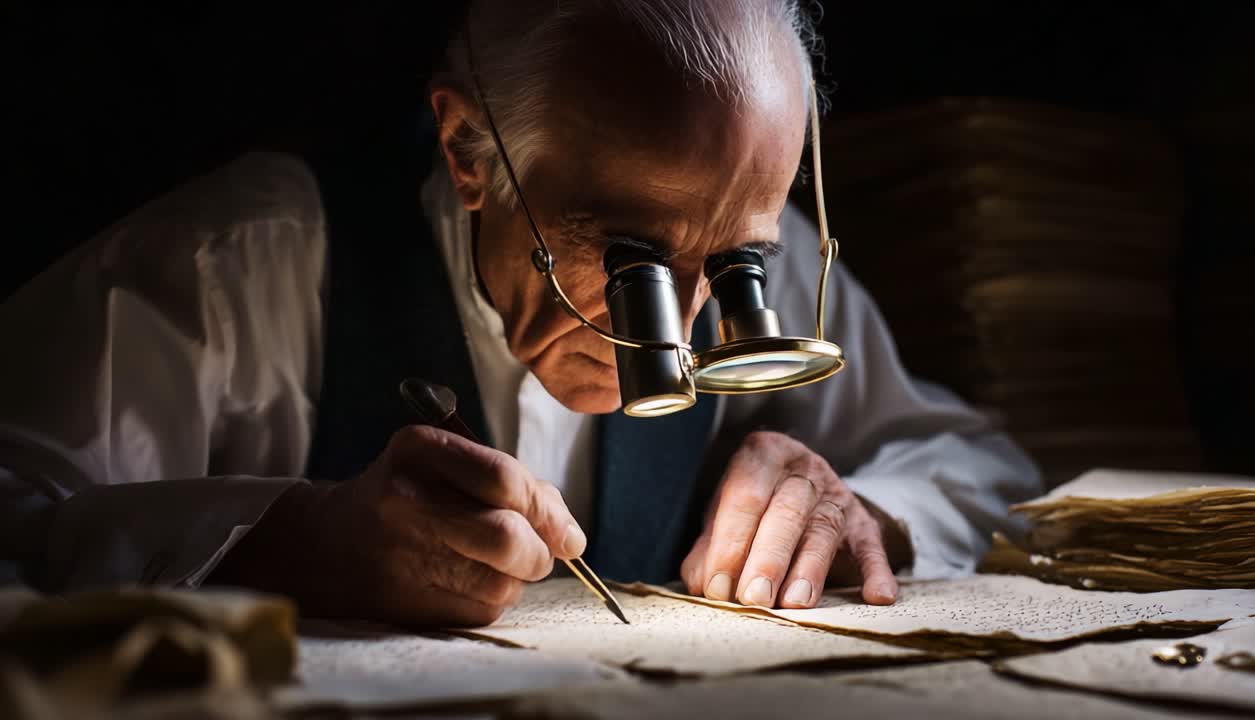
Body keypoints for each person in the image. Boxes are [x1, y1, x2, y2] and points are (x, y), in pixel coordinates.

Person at [0, 1, 1041, 627]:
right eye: (623, 254)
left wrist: (865, 510)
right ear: (466, 155)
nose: (674, 333)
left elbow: (982, 468)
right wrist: (280, 542)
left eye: (730, 264)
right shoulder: (235, 268)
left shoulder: (747, 240)